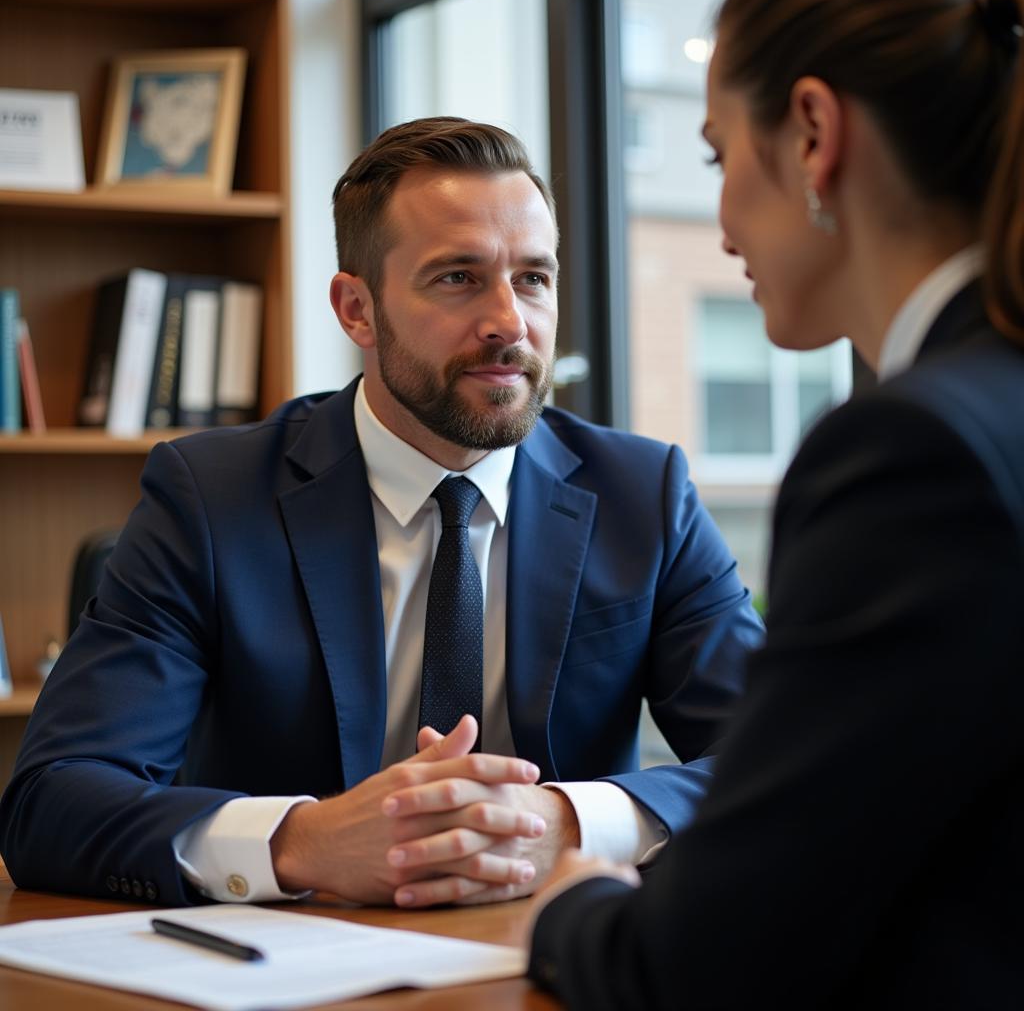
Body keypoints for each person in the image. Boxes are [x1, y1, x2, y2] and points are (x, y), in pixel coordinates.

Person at [0, 117, 762, 910]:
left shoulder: (643, 494)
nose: (510, 321)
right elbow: (52, 801)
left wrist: (563, 820)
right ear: (356, 309)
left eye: (534, 278)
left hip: (558, 950)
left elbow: (786, 756)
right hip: (294, 969)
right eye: (458, 278)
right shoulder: (211, 497)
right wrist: (303, 841)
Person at [527, 0, 1024, 1007]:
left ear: (811, 133)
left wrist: (563, 898)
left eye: (715, 157)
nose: (716, 225)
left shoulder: (909, 455)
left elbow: (699, 965)